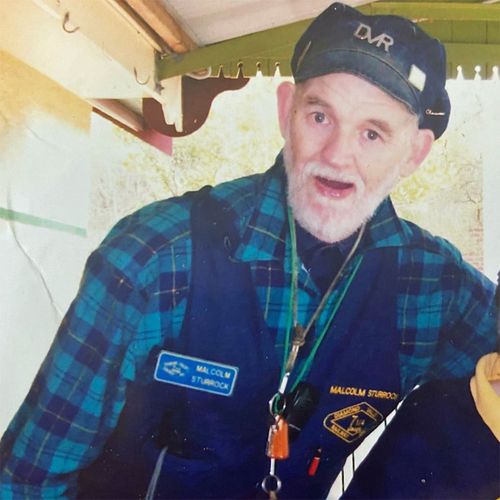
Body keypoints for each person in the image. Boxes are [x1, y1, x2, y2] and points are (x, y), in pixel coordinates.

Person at [0, 2, 496, 499]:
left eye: (373, 132)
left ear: (414, 152)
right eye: (320, 116)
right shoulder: (153, 256)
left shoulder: (435, 285)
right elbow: (29, 477)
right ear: (286, 111)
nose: (337, 155)